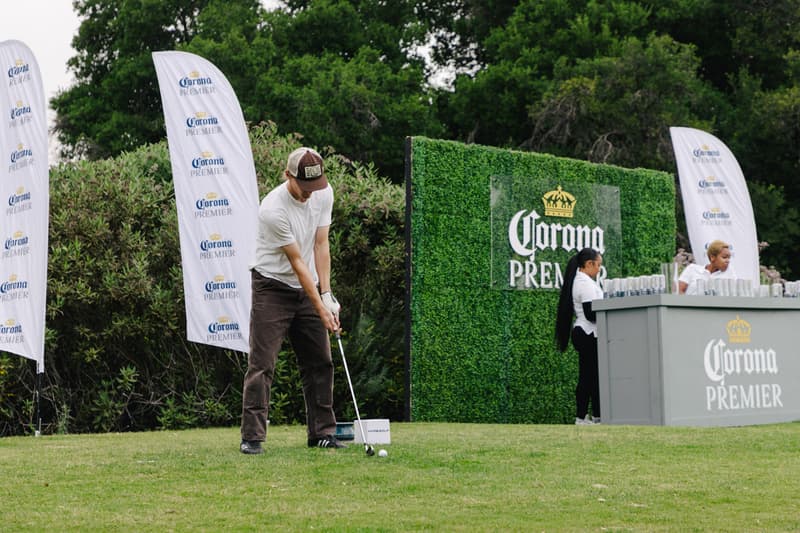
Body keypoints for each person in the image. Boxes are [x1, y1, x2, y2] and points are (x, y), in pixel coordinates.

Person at [240, 147, 345, 455]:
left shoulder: (323, 193)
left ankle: (322, 433)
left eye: (315, 185)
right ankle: (252, 437)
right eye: (304, 186)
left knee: (320, 362)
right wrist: (320, 309)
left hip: (308, 286)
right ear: (287, 175)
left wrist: (326, 296)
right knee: (262, 364)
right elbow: (297, 262)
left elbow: (321, 244)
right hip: (272, 286)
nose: (310, 193)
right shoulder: (273, 209)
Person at [555, 248, 604, 425]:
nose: (599, 269)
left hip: (587, 333)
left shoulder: (584, 281)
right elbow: (590, 313)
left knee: (592, 377)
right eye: (598, 265)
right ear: (589, 264)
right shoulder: (584, 284)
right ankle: (583, 416)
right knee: (589, 377)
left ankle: (593, 415)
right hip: (587, 332)